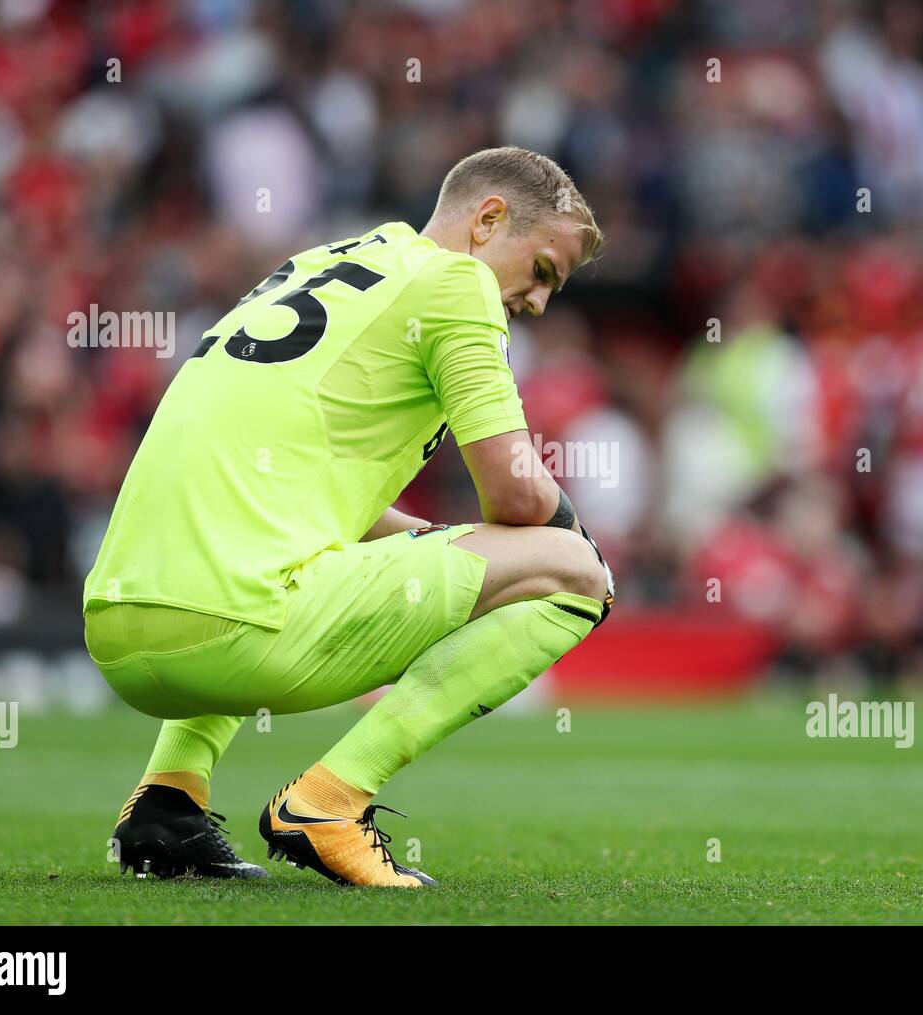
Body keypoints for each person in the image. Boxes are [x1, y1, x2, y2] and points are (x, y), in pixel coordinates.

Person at [82, 147, 614, 888]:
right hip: (231, 632)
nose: (538, 303)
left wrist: (431, 544)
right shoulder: (456, 280)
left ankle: (168, 799)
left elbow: (310, 491)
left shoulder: (320, 263)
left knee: (270, 547)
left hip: (116, 628)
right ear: (490, 219)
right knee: (577, 575)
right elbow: (517, 495)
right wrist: (576, 537)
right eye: (545, 272)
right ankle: (330, 802)